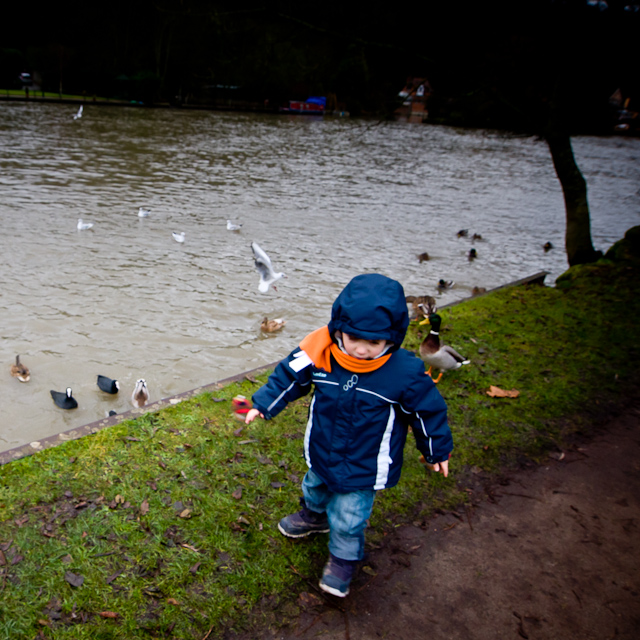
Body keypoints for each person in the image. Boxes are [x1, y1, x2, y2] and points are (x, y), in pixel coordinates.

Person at [245, 274, 452, 597]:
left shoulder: (405, 373)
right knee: (315, 485)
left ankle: (343, 560)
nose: (362, 349)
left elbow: (427, 411)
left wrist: (436, 449)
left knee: (348, 516)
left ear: (392, 338)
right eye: (355, 338)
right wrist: (263, 404)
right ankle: (314, 516)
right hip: (323, 447)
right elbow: (289, 375)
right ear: (339, 328)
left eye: (375, 343)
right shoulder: (319, 350)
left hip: (364, 464)